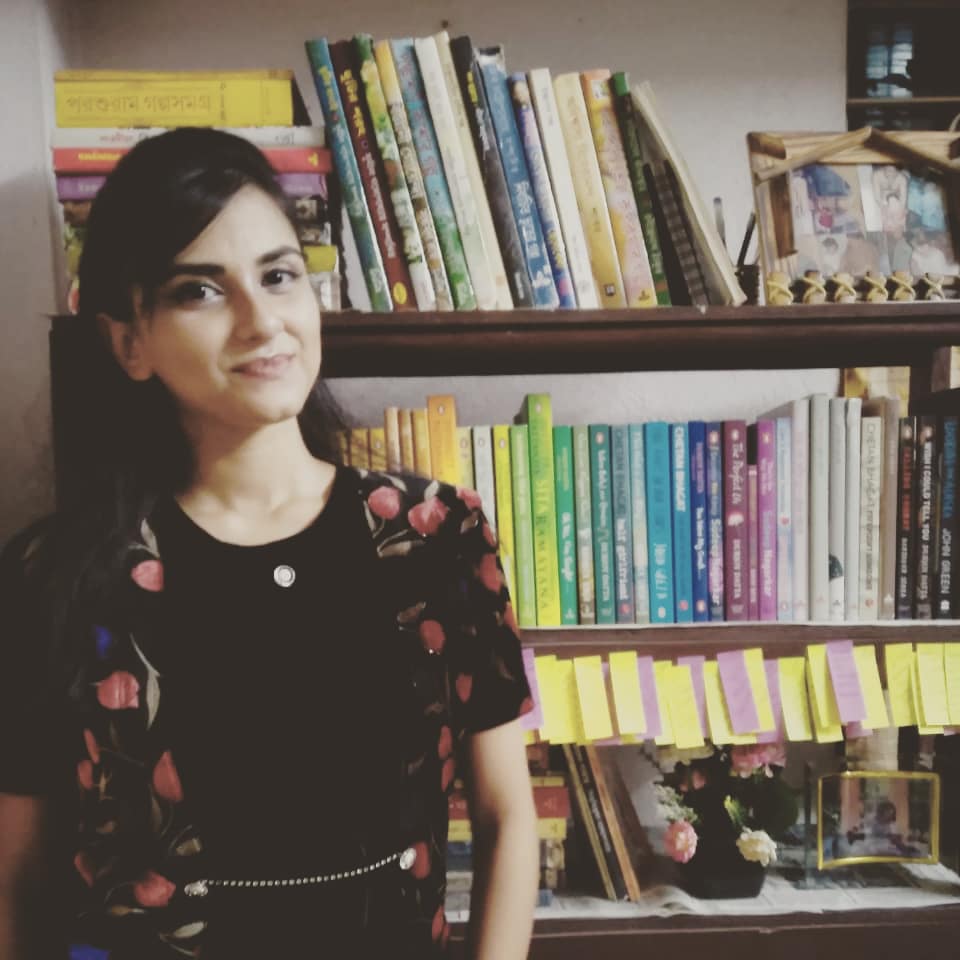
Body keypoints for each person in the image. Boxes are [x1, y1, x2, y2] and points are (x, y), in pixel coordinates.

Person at [0, 128, 539, 960]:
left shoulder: (437, 537)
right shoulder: (56, 576)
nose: (261, 322)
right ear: (128, 342)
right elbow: (18, 881)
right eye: (199, 290)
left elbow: (507, 818)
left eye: (279, 275)